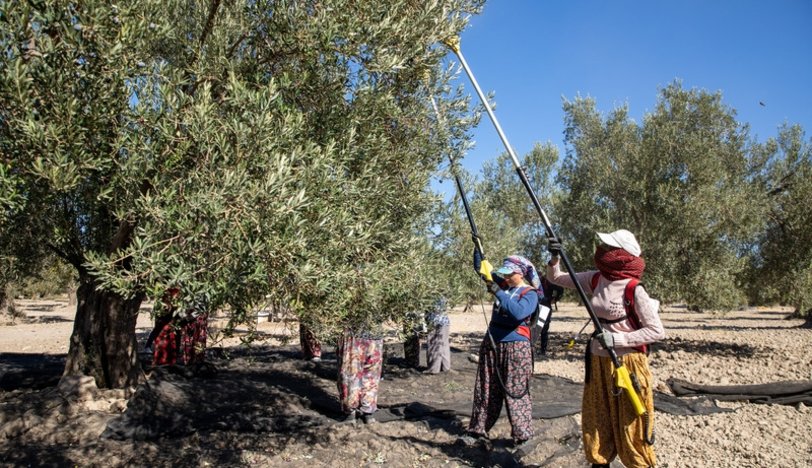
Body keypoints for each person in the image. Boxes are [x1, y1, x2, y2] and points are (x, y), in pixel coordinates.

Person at [546, 229, 665, 468]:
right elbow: (556, 278)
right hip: (598, 362)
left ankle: (637, 462)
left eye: (609, 247)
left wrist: (618, 340)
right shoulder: (596, 278)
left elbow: (656, 331)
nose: (603, 251)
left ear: (621, 254)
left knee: (630, 419)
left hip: (627, 364)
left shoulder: (634, 289)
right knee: (598, 416)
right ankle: (599, 462)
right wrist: (554, 258)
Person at [459, 253, 541, 452]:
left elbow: (518, 313)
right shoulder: (504, 285)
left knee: (516, 390)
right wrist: (477, 250)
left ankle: (522, 436)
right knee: (486, 388)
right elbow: (482, 271)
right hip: (492, 343)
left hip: (516, 347)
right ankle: (478, 431)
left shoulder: (529, 293)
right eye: (503, 274)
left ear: (519, 274)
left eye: (508, 274)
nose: (504, 277)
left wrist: (499, 292)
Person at [336, 322, 384, 425]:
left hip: (372, 334)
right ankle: (353, 412)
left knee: (369, 374)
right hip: (354, 333)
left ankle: (367, 411)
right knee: (351, 373)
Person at [424, 296, 451, 374]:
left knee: (433, 343)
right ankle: (446, 367)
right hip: (445, 321)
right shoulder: (443, 292)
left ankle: (433, 369)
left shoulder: (431, 293)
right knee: (444, 344)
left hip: (434, 321)